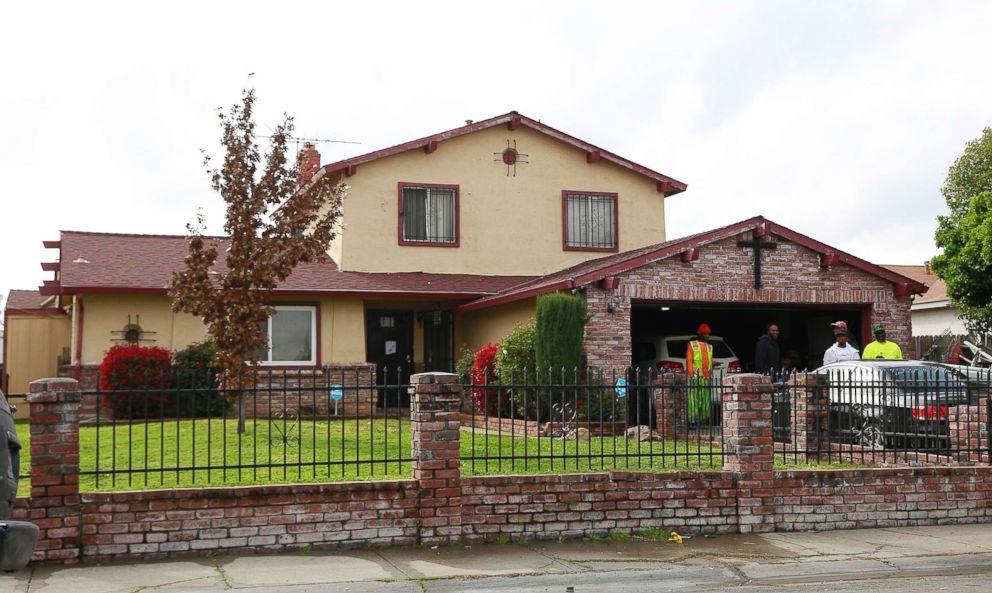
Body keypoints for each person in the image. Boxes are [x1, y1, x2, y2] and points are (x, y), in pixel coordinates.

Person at [685, 324, 714, 423]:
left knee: (706, 400)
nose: (708, 336)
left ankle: (703, 420)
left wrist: (713, 364)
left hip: (707, 378)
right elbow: (689, 361)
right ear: (701, 334)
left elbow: (709, 361)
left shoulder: (710, 347)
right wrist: (692, 375)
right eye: (706, 334)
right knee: (695, 400)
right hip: (696, 377)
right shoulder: (692, 345)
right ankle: (692, 421)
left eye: (708, 334)